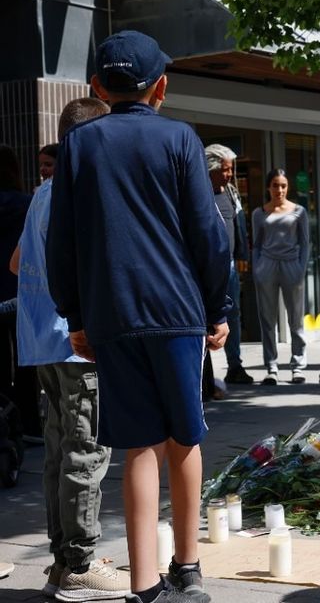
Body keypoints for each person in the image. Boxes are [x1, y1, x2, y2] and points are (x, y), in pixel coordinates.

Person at [47, 30, 231, 603]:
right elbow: (209, 233)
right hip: (178, 311)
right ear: (162, 88)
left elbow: (63, 241)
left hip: (113, 313)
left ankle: (145, 584)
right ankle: (189, 569)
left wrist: (74, 314)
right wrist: (218, 306)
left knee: (137, 446)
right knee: (185, 437)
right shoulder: (179, 138)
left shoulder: (79, 145)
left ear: (98, 86)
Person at [9, 97, 130, 601]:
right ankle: (79, 564)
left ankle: (64, 561)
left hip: (42, 341)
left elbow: (17, 263)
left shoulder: (42, 191)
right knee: (85, 451)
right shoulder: (81, 193)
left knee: (60, 452)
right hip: (77, 343)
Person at [250, 169, 310, 384]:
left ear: (288, 187)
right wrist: (257, 268)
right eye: (275, 185)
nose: (279, 190)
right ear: (269, 187)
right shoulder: (259, 213)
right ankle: (272, 367)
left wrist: (300, 268)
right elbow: (256, 244)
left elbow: (305, 242)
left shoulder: (299, 211)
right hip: (267, 266)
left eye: (283, 185)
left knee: (296, 318)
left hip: (291, 265)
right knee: (267, 319)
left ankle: (298, 366)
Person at [204, 144, 254, 387]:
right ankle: (205, 376)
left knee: (232, 315)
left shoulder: (231, 192)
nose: (229, 174)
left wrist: (243, 253)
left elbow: (239, 224)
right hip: (207, 266)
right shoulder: (199, 193)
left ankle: (235, 365)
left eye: (230, 169)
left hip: (231, 265)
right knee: (207, 319)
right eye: (225, 169)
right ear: (211, 168)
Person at [0, 144, 37, 444]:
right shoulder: (28, 204)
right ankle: (29, 423)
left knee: (0, 361)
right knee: (26, 359)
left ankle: (5, 420)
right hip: (21, 290)